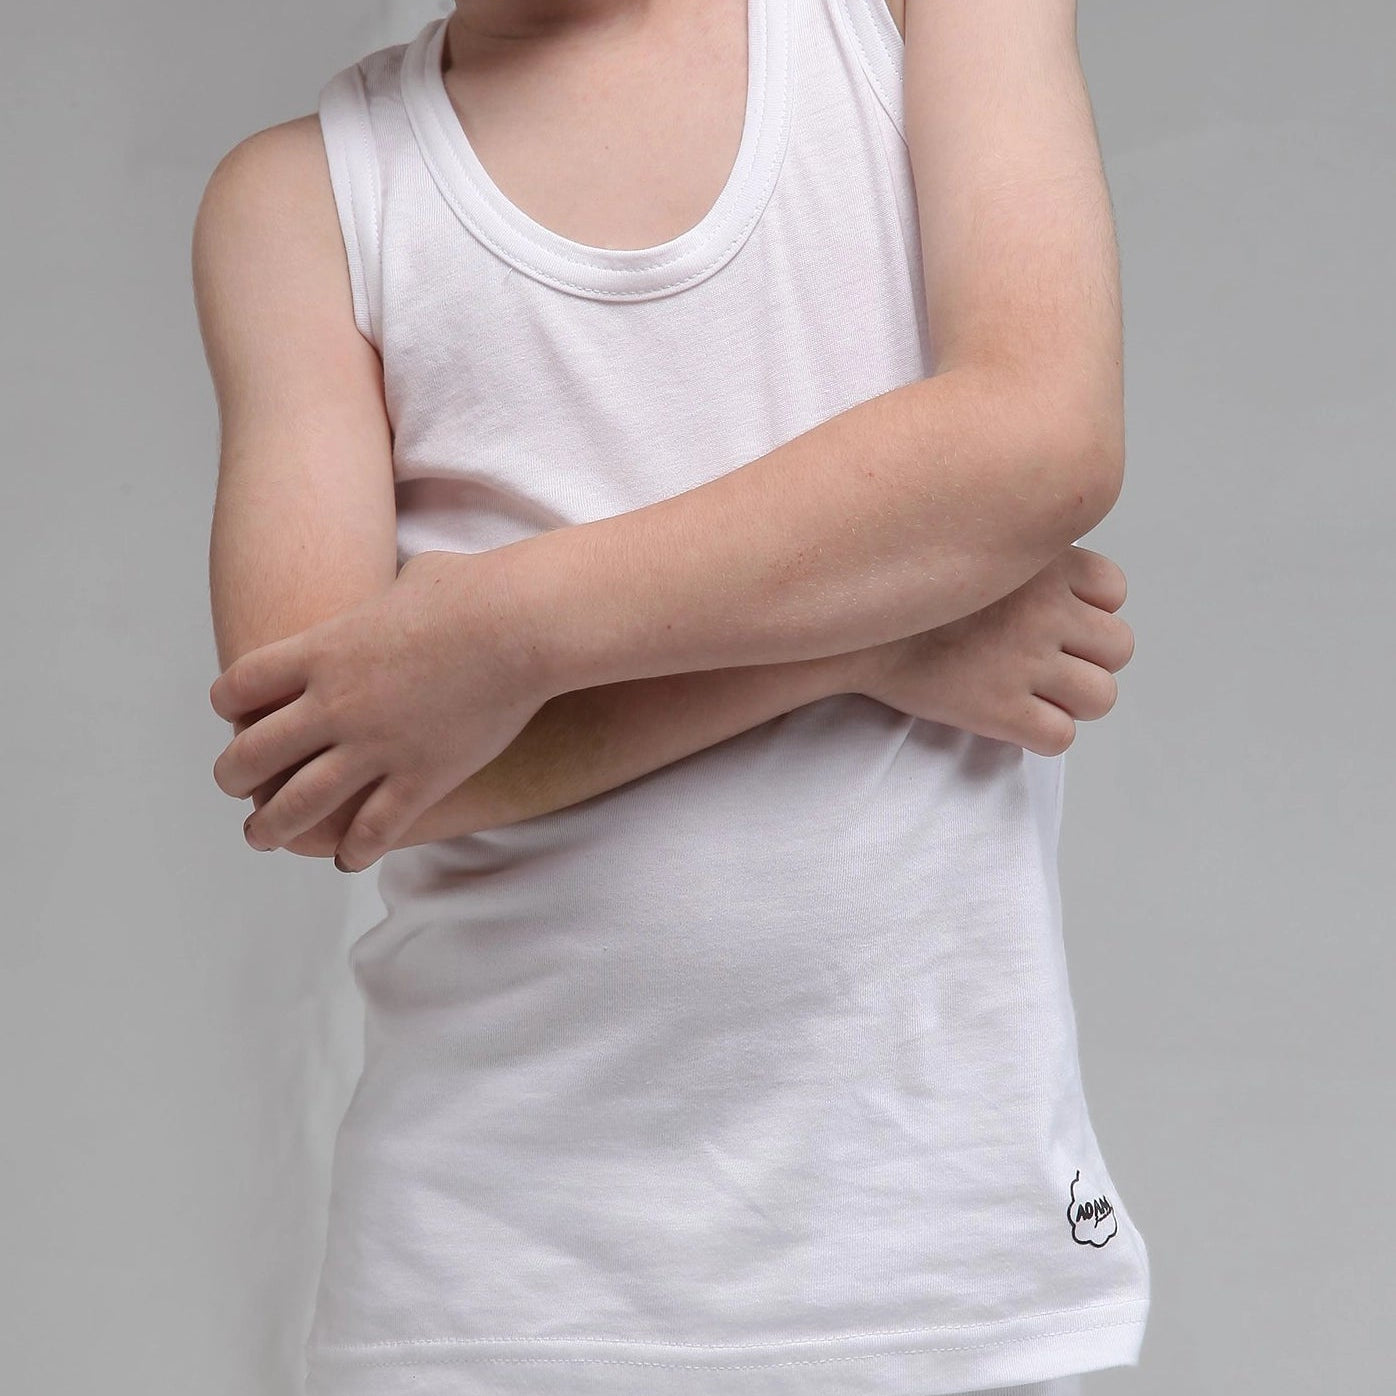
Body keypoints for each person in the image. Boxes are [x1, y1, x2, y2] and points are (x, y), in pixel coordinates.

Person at [192, 2, 1150, 1393]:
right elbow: (324, 770)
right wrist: (871, 640)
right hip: (490, 1284)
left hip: (927, 1250)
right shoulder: (300, 204)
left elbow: (1040, 440)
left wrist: (505, 629)